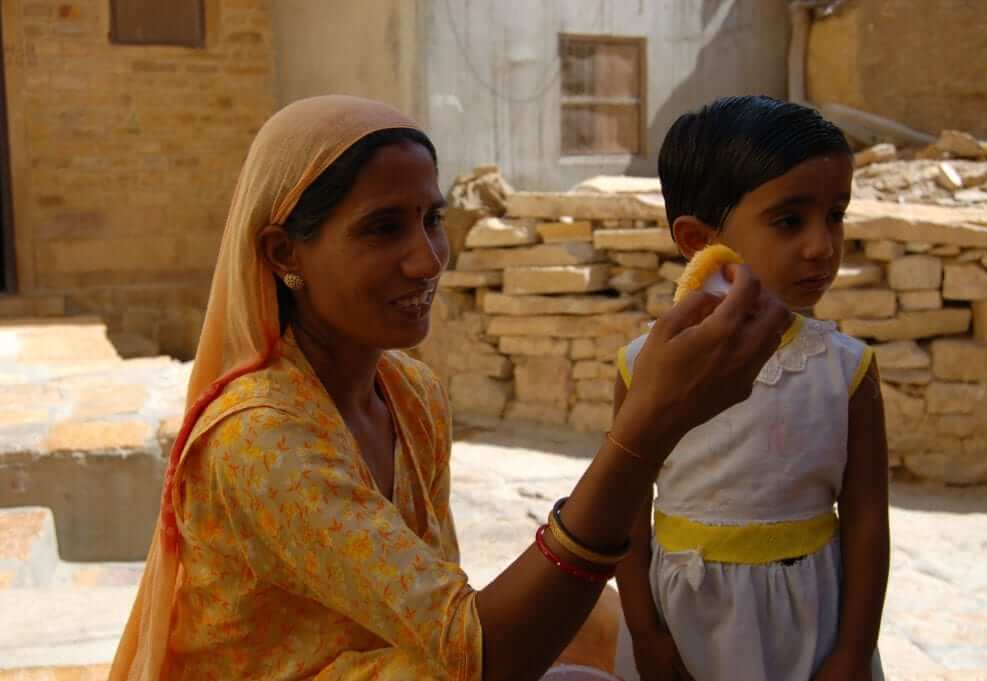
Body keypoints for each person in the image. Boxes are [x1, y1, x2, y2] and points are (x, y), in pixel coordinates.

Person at [109, 95, 789, 681]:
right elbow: (480, 655)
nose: (428, 259)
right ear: (285, 252)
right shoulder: (260, 435)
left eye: (431, 219)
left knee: (602, 626)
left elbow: (442, 620)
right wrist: (646, 430)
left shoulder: (410, 393)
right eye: (383, 228)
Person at [613, 96, 890, 681]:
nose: (822, 245)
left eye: (835, 215)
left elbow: (867, 520)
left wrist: (851, 651)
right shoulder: (647, 366)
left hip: (808, 624)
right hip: (685, 620)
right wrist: (644, 632)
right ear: (698, 239)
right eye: (790, 221)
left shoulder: (846, 371)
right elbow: (627, 510)